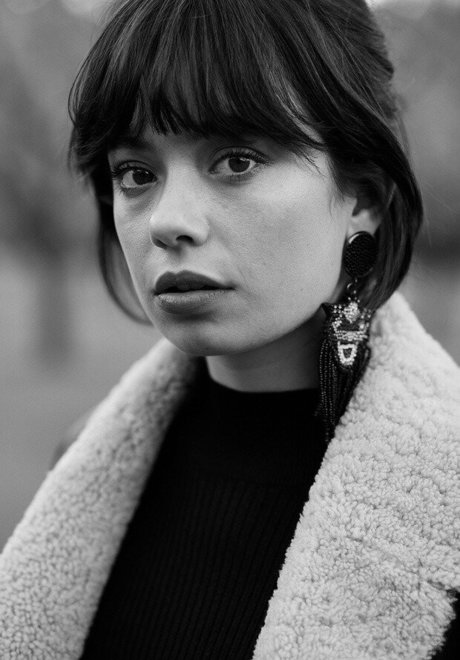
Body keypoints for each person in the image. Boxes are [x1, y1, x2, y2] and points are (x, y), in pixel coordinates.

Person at [0, 0, 458, 657]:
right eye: (137, 174)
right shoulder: (81, 458)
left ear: (361, 196)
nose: (167, 220)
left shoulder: (445, 506)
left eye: (237, 161)